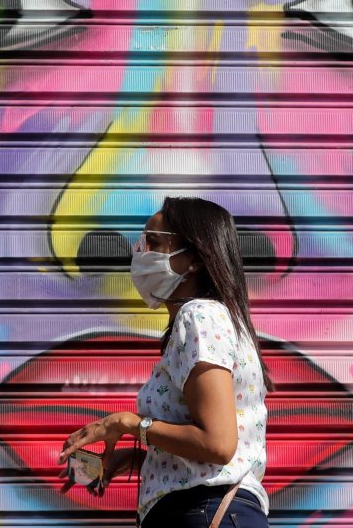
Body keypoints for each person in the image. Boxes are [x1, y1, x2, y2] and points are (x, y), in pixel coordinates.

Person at [57, 196, 273, 527]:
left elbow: (217, 444)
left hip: (204, 510)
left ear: (195, 260)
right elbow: (206, 450)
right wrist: (138, 457)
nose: (140, 253)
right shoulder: (215, 320)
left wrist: (125, 424)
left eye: (153, 242)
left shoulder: (198, 315)